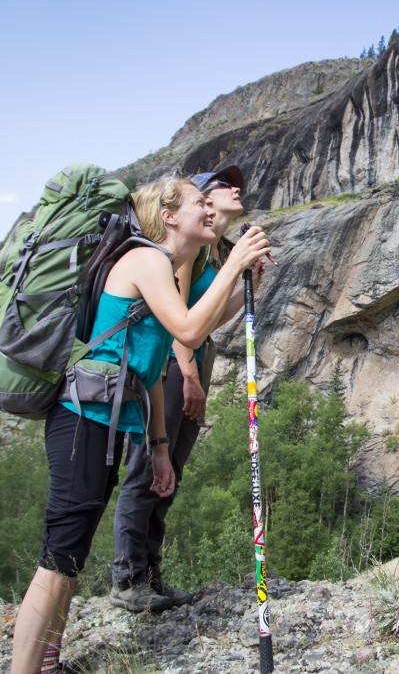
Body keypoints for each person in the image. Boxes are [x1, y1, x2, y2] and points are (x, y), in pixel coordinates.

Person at [10, 175, 271, 674]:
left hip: (102, 423)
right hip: (82, 422)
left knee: (71, 556)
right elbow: (189, 332)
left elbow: (150, 366)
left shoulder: (165, 264)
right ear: (169, 216)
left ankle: (48, 663)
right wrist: (234, 262)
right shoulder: (147, 258)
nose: (209, 210)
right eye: (200, 202)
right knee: (58, 560)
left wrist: (157, 446)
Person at [109, 165, 260, 611]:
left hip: (193, 355)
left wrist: (248, 279)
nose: (237, 188)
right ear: (204, 199)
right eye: (224, 185)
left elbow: (211, 316)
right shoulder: (189, 251)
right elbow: (176, 317)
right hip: (175, 364)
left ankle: (150, 573)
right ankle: (127, 576)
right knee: (150, 464)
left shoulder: (214, 250)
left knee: (169, 467)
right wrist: (188, 371)